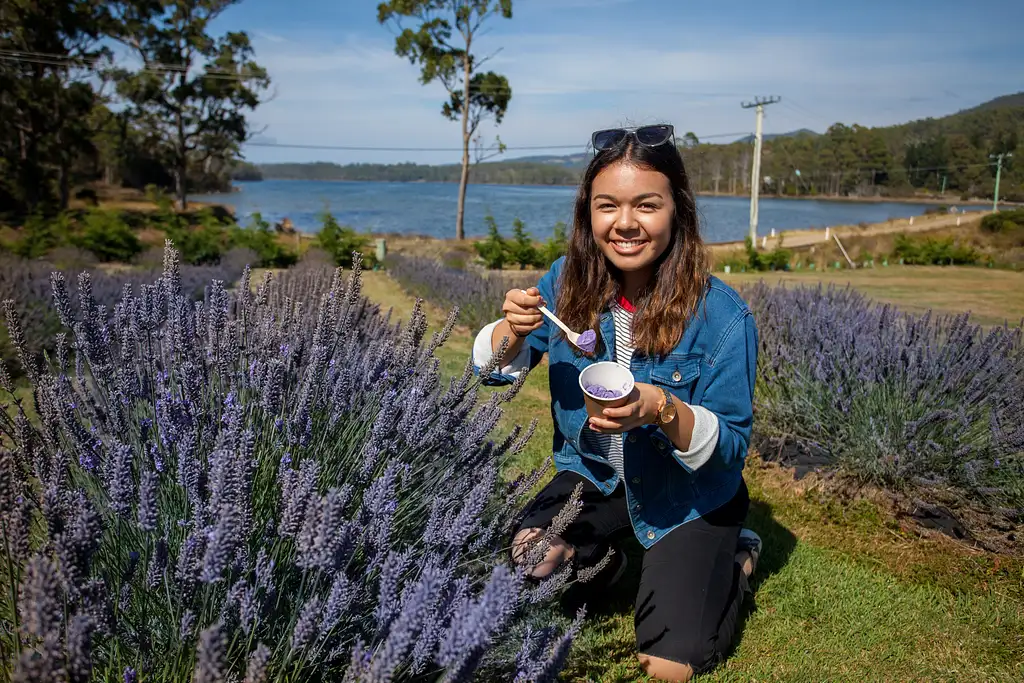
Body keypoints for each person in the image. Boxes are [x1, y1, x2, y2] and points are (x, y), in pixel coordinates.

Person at [471, 124, 762, 682]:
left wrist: (660, 409)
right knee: (529, 563)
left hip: (687, 494)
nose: (625, 223)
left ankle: (737, 562)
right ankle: (604, 562)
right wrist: (510, 329)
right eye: (608, 206)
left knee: (667, 668)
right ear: (588, 214)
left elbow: (729, 447)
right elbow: (490, 371)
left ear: (677, 209)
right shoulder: (565, 282)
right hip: (596, 474)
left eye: (646, 205)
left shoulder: (723, 316)